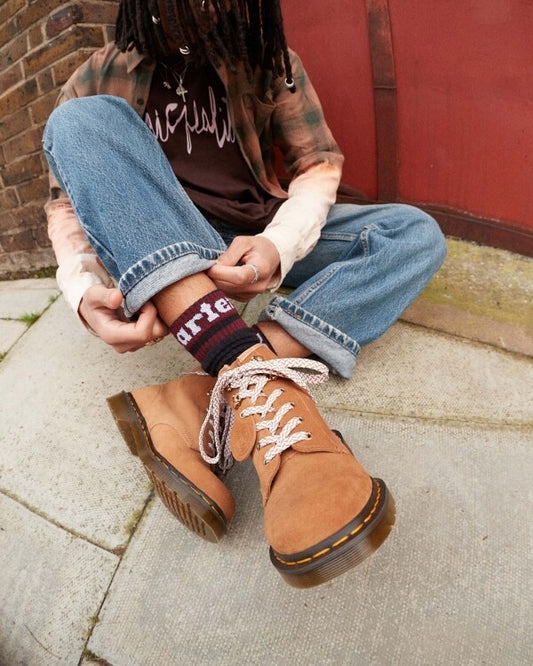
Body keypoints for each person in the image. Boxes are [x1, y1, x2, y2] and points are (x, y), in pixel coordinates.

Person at [42, 0, 447, 588]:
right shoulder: (96, 75)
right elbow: (64, 206)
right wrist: (83, 290)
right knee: (78, 122)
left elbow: (318, 164)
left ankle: (204, 392)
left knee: (412, 234)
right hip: (157, 247)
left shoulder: (266, 56)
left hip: (250, 236)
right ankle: (262, 398)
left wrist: (278, 245)